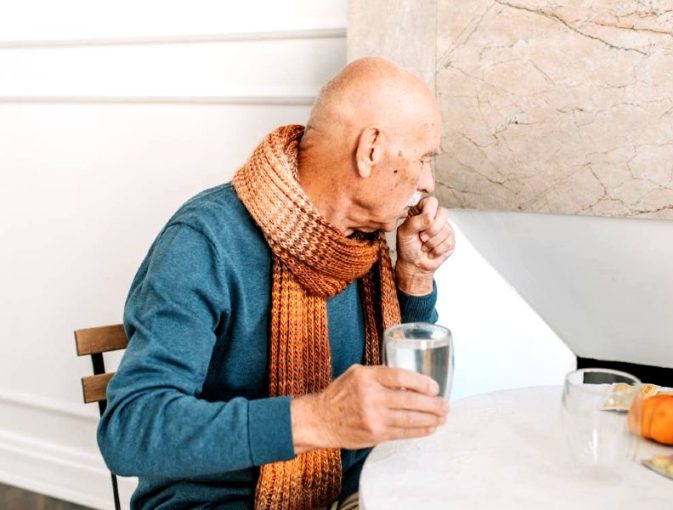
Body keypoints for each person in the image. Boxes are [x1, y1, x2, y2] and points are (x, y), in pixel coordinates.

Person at [97, 56, 455, 509]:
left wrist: (415, 277)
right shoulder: (204, 242)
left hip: (354, 492)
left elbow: (396, 396)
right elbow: (130, 430)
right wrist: (318, 419)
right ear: (370, 151)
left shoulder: (362, 246)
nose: (428, 182)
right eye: (423, 158)